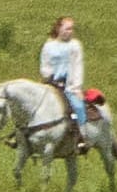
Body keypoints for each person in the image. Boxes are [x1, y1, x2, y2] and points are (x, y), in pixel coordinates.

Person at [14, 14, 87, 142]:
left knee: (78, 106)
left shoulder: (75, 45)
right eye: (67, 28)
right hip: (51, 83)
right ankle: (21, 135)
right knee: (32, 104)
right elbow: (45, 64)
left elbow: (78, 66)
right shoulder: (49, 46)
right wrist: (48, 76)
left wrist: (77, 87)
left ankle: (80, 137)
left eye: (71, 29)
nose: (70, 32)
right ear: (59, 29)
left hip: (68, 86)